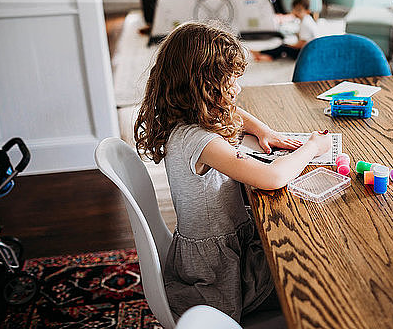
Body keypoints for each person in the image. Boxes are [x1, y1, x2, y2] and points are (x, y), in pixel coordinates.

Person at [133, 22, 331, 322]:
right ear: (204, 88)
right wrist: (312, 147)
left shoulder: (183, 119)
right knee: (312, 263)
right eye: (230, 81)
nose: (237, 89)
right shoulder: (203, 142)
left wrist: (265, 131)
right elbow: (272, 178)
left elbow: (234, 112)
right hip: (220, 272)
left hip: (218, 250)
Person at [252, 0, 319, 61]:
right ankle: (267, 56)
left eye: (299, 10)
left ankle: (261, 53)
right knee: (283, 48)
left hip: (306, 54)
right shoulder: (307, 19)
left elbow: (301, 45)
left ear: (308, 11)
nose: (296, 12)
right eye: (294, 9)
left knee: (283, 47)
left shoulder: (305, 23)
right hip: (309, 51)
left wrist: (289, 45)